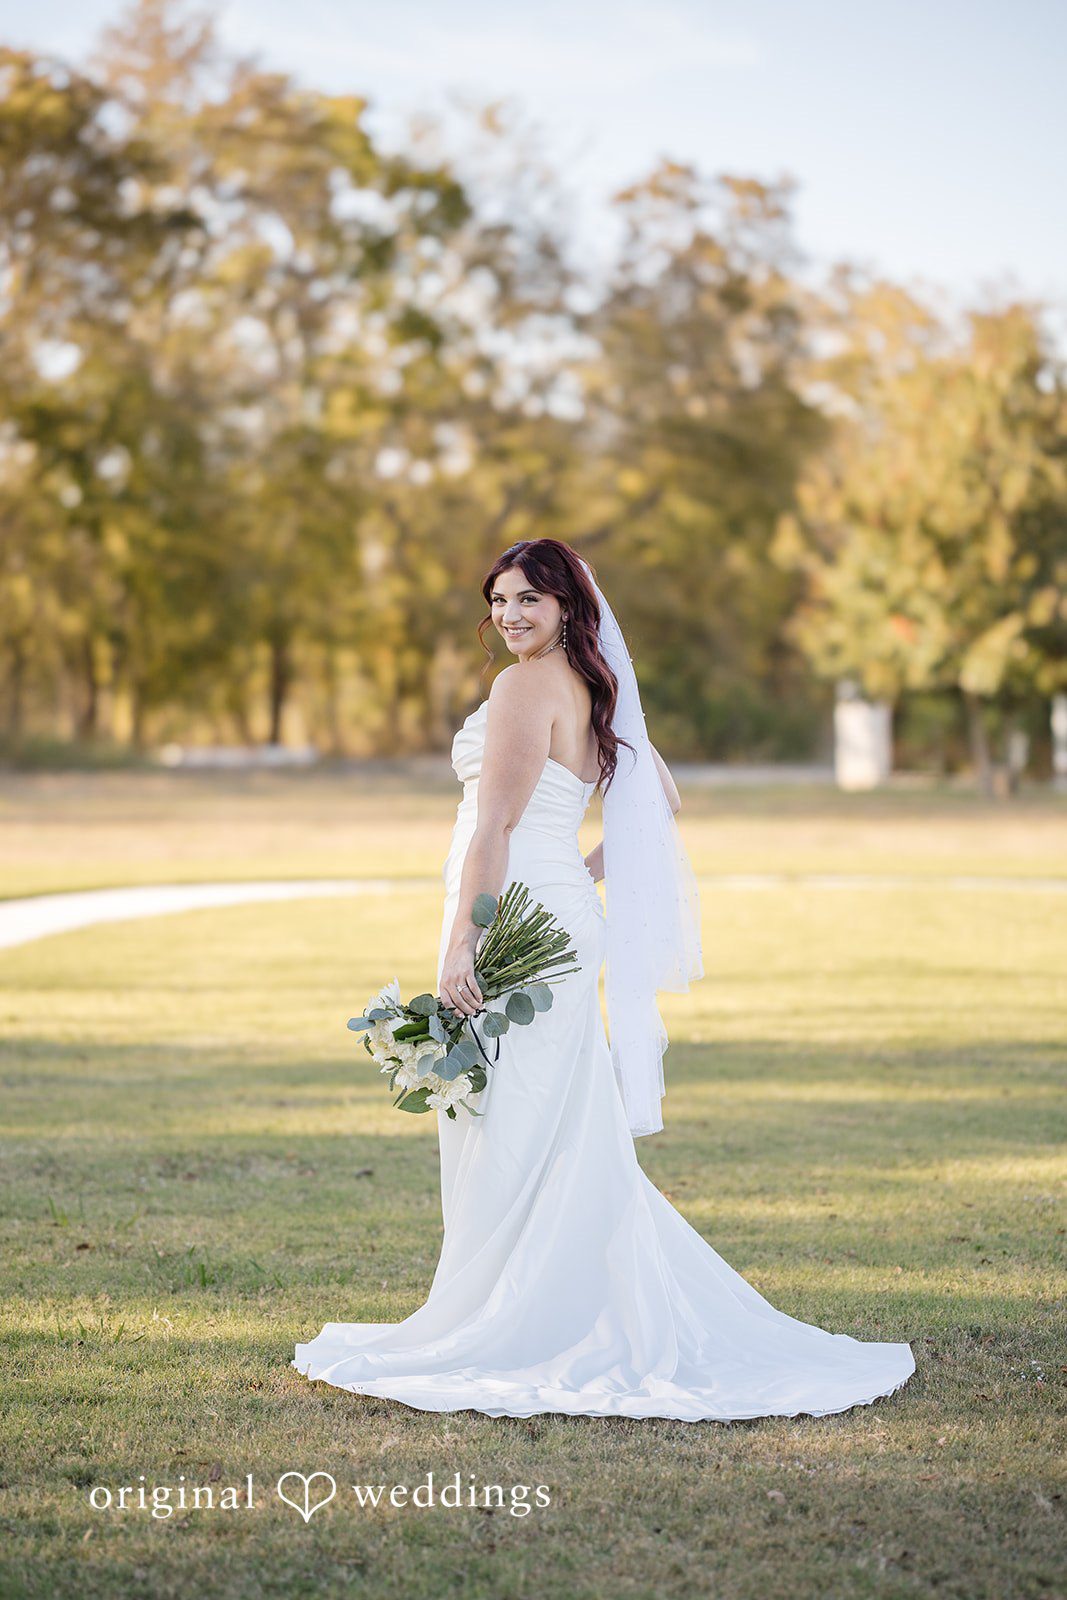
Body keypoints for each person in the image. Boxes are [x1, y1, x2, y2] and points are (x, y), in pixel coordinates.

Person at [292, 538, 915, 1421]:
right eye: (499, 599)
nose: (508, 615)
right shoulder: (594, 690)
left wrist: (463, 947)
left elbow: (495, 826)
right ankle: (543, 1298)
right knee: (547, 1114)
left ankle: (519, 1316)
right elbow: (660, 795)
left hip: (509, 915)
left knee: (511, 1118)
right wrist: (576, 878)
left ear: (566, 607)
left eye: (528, 600)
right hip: (554, 915)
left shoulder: (521, 688)